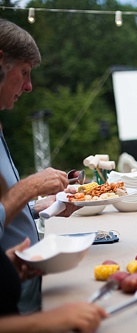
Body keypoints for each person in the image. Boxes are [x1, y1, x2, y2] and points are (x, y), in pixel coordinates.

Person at [0, 19, 80, 313]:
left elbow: (3, 207)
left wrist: (37, 206)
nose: (29, 86)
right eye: (24, 72)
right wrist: (29, 186)